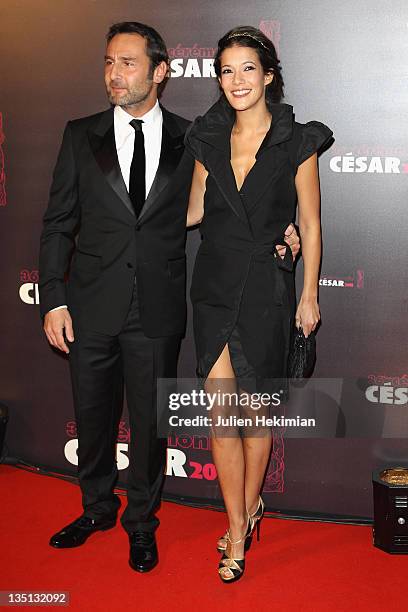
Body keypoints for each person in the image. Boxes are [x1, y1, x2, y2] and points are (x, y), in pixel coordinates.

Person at [39, 21, 300, 573]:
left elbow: (230, 200)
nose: (116, 73)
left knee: (150, 424)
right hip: (88, 303)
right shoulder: (78, 133)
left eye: (129, 62)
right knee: (91, 417)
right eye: (109, 62)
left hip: (158, 306)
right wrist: (54, 299)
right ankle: (94, 509)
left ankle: (141, 523)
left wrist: (282, 228)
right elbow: (57, 223)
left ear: (161, 71)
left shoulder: (195, 138)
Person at [186, 26, 333, 582]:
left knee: (254, 415)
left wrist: (309, 291)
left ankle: (247, 513)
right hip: (214, 285)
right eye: (226, 70)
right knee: (221, 415)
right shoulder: (206, 137)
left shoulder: (297, 141)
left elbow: (312, 225)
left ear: (269, 75)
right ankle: (236, 529)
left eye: (249, 68)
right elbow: (194, 209)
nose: (237, 80)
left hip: (268, 290)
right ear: (217, 78)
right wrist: (133, 221)